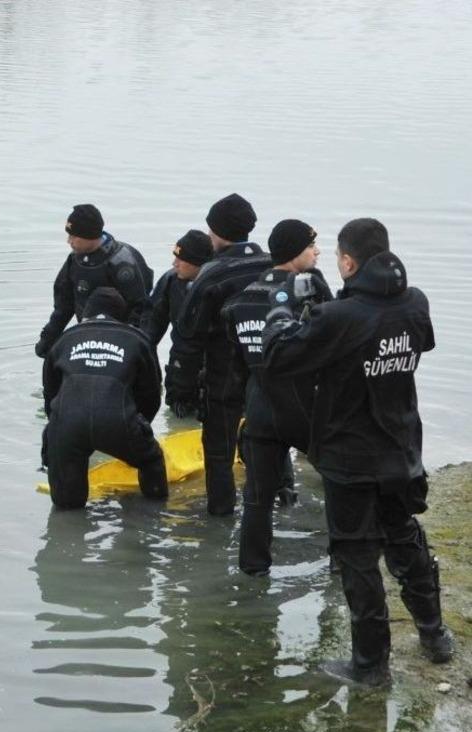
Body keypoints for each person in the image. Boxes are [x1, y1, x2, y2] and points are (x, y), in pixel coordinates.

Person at [262, 217, 454, 685]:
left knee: (357, 556)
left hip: (350, 456)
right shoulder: (414, 302)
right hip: (402, 448)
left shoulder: (338, 318)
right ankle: (436, 635)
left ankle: (370, 666)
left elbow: (278, 357)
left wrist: (284, 311)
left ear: (348, 262)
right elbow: (420, 340)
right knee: (405, 538)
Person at [222, 220, 333, 575]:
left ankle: (253, 572)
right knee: (337, 481)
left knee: (257, 498)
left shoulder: (241, 299)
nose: (317, 252)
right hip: (303, 402)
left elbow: (236, 365)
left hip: (259, 404)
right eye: (312, 246)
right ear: (295, 250)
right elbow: (335, 341)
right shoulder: (310, 288)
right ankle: (342, 564)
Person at [176, 193, 272, 515]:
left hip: (224, 379)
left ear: (215, 232)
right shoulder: (273, 266)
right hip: (269, 377)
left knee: (219, 453)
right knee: (273, 444)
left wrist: (180, 390)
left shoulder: (212, 274)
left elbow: (189, 339)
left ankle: (220, 515)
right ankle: (280, 499)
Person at [42, 287, 167, 509]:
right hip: (117, 420)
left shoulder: (64, 339)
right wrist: (138, 426)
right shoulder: (137, 339)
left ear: (86, 314)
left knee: (66, 507)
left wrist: (57, 431)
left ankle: (66, 528)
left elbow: (50, 392)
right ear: (123, 317)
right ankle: (151, 515)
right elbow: (151, 393)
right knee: (151, 460)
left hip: (67, 423)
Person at [34, 204, 154, 357]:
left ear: (89, 235)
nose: (68, 241)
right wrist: (47, 339)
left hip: (120, 338)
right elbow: (63, 306)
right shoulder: (74, 261)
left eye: (74, 237)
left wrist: (132, 347)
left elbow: (141, 309)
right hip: (88, 334)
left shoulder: (122, 264)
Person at [143, 229, 213, 418]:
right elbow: (149, 331)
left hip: (216, 375)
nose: (175, 264)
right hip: (180, 375)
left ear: (199, 263)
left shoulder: (221, 284)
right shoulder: (170, 281)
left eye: (181, 259)